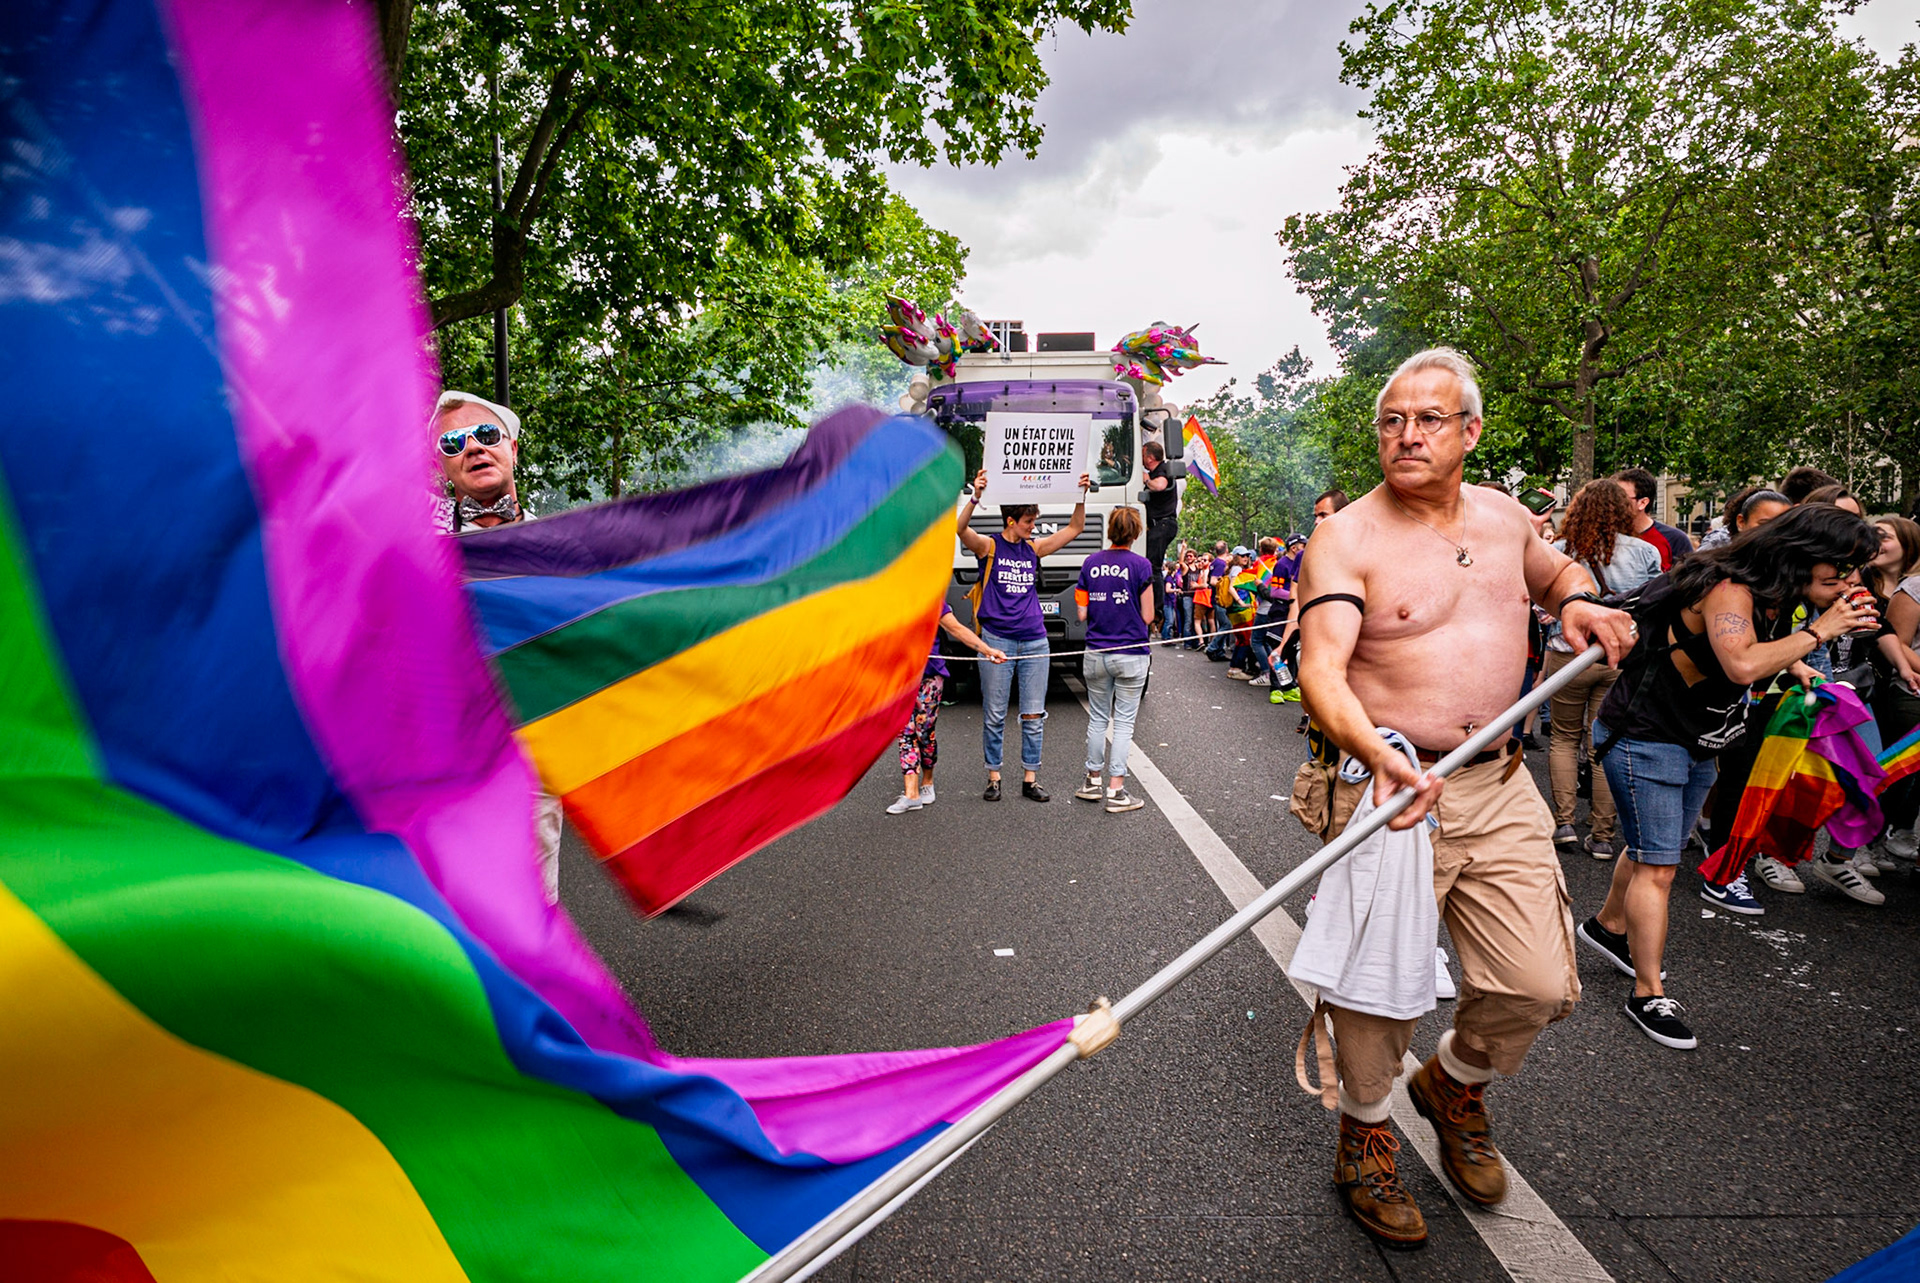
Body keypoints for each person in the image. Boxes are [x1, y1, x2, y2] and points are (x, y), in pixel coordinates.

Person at [1293, 347, 1633, 1249]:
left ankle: (1453, 1083)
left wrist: (1582, 604)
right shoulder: (1346, 537)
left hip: (1497, 782)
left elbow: (1558, 574)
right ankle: (1365, 1132)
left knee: (1537, 980)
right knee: (1376, 990)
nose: (1406, 436)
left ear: (1470, 431)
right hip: (1386, 787)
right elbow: (1320, 669)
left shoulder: (1505, 516)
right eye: (1392, 421)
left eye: (1428, 419)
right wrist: (1372, 751)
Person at [1580, 504, 1880, 1049]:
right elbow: (1740, 663)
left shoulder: (1775, 592)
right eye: (1838, 571)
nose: (1849, 583)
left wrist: (1797, 664)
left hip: (1700, 736)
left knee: (1656, 844)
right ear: (1800, 558)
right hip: (1646, 735)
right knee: (1660, 866)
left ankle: (1607, 927)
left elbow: (1756, 649)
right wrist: (1819, 633)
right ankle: (1648, 993)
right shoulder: (1728, 589)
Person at [429, 390, 562, 902]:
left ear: (511, 449)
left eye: (486, 436)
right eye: (453, 442)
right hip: (441, 756)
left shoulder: (560, 547)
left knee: (530, 896)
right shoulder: (421, 554)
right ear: (442, 466)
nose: (473, 448)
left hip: (531, 751)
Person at [1542, 480, 1661, 858]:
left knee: (1562, 737)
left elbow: (1540, 608)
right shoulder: (1644, 552)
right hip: (1615, 658)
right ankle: (1603, 835)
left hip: (1566, 654)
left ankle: (1563, 822)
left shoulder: (1558, 550)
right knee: (1603, 743)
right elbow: (1654, 608)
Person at [956, 467, 1091, 802]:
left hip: (1034, 639)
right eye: (1029, 521)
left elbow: (1076, 528)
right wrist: (976, 496)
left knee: (1033, 713)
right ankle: (994, 776)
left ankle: (1030, 778)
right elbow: (959, 529)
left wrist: (1080, 495)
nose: (1034, 527)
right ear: (1011, 520)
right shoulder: (989, 547)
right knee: (995, 713)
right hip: (995, 638)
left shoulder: (1034, 549)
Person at [888, 604, 1006, 814]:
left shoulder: (932, 600)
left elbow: (957, 629)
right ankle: (911, 794)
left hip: (929, 677)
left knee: (924, 734)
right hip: (898, 678)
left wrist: (988, 651)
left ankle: (927, 782)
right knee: (905, 732)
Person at [1074, 508, 1155, 813]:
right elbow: (1148, 616)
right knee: (1123, 724)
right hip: (1131, 654)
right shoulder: (1141, 565)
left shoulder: (1091, 563)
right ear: (1136, 532)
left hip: (1095, 652)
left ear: (1110, 529)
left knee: (1097, 718)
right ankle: (1117, 791)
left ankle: (1092, 782)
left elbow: (1082, 613)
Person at [1613, 467, 1694, 570]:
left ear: (1642, 503)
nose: (1613, 502)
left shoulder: (1675, 539)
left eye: (1620, 497)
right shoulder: (1605, 536)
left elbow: (1688, 581)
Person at [1141, 440, 1180, 630]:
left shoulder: (1162, 470)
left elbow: (1160, 485)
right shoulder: (1157, 470)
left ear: (1149, 456)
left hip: (1163, 523)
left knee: (1153, 565)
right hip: (1158, 525)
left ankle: (1156, 610)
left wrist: (1145, 479)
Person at [1697, 486, 1791, 550]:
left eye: (1783, 526)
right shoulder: (1717, 544)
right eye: (1764, 524)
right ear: (1741, 522)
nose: (1774, 531)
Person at [1205, 541, 1234, 661]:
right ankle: (1212, 647)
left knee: (1222, 624)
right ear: (1226, 550)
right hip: (1220, 599)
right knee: (1227, 625)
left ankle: (1219, 651)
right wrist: (1224, 585)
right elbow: (1212, 581)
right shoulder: (1220, 564)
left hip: (1216, 598)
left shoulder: (1214, 563)